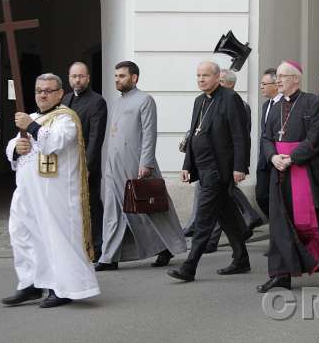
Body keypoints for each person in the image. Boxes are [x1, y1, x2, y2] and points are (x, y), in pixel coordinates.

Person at [1, 73, 99, 308]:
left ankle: (63, 288)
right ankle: (30, 283)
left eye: (48, 90)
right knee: (21, 234)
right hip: (26, 191)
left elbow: (54, 142)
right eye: (39, 90)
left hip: (53, 193)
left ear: (58, 93)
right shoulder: (31, 117)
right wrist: (17, 147)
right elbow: (13, 145)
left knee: (54, 239)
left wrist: (31, 127)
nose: (42, 94)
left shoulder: (66, 118)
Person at [256, 61, 319, 293]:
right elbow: (266, 138)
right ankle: (280, 275)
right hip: (279, 171)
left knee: (316, 222)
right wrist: (273, 157)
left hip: (305, 172)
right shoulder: (273, 105)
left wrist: (292, 157)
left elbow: (316, 137)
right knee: (279, 222)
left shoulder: (313, 102)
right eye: (277, 76)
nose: (278, 80)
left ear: (296, 79)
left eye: (283, 76)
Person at [96, 61, 186, 271]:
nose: (117, 79)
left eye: (122, 76)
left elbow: (149, 133)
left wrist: (145, 163)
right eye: (116, 76)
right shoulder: (117, 102)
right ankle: (109, 258)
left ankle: (167, 247)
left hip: (137, 165)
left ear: (134, 78)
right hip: (114, 165)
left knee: (150, 209)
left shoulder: (145, 100)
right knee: (113, 210)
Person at [168, 61, 251, 282]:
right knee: (226, 215)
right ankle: (242, 258)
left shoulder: (230, 99)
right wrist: (187, 165)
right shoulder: (199, 101)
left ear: (217, 77)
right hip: (202, 168)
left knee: (204, 219)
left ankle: (189, 267)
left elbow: (240, 136)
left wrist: (240, 167)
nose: (201, 79)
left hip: (218, 168)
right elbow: (193, 135)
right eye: (198, 75)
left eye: (205, 75)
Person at [202, 69, 263, 253]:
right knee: (224, 206)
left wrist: (239, 166)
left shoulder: (238, 104)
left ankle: (203, 244)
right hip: (210, 165)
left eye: (220, 80)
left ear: (229, 84)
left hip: (225, 165)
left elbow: (240, 137)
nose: (215, 83)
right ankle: (243, 235)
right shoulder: (207, 101)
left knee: (213, 207)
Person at [61, 62, 107, 261]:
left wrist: (87, 166)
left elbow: (96, 138)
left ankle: (98, 246)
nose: (77, 80)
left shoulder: (97, 102)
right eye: (73, 76)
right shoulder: (65, 99)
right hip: (67, 163)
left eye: (81, 76)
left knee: (92, 205)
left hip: (87, 165)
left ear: (88, 78)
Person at [256, 67, 281, 218]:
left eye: (264, 84)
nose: (261, 87)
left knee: (277, 197)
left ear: (276, 84)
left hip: (278, 158)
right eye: (261, 83)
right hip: (264, 159)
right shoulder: (266, 105)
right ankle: (276, 222)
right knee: (261, 195)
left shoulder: (284, 104)